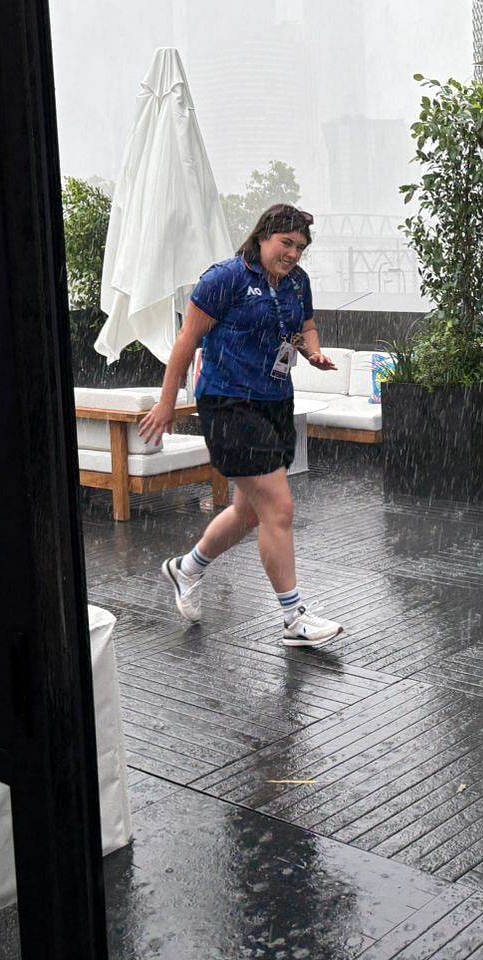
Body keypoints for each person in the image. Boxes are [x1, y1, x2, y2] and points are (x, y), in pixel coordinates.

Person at [138, 203, 342, 647]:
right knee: (280, 509)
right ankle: (294, 619)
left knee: (248, 512)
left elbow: (306, 327)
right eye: (285, 244)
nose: (292, 255)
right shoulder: (225, 278)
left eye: (300, 248)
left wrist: (314, 352)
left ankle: (185, 568)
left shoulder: (297, 283)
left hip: (273, 402)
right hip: (229, 404)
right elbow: (186, 341)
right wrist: (167, 403)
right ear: (263, 236)